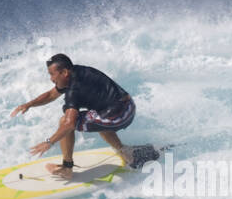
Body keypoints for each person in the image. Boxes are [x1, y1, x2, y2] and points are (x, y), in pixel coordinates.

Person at [10, 53, 156, 179]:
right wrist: (29, 104)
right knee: (95, 118)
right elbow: (51, 94)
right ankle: (127, 154)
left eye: (52, 74)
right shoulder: (75, 72)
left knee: (65, 122)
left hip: (120, 113)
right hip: (125, 107)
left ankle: (67, 168)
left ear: (64, 72)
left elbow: (69, 124)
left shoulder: (75, 88)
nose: (51, 79)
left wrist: (49, 142)